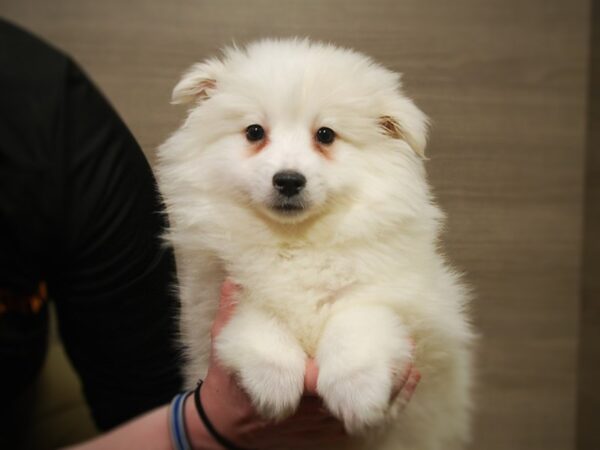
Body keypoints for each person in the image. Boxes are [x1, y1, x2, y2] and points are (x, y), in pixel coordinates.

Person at [0, 19, 419, 449]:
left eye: (325, 136)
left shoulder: (51, 111)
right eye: (256, 133)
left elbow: (131, 383)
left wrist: (356, 343)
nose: (288, 169)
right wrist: (208, 419)